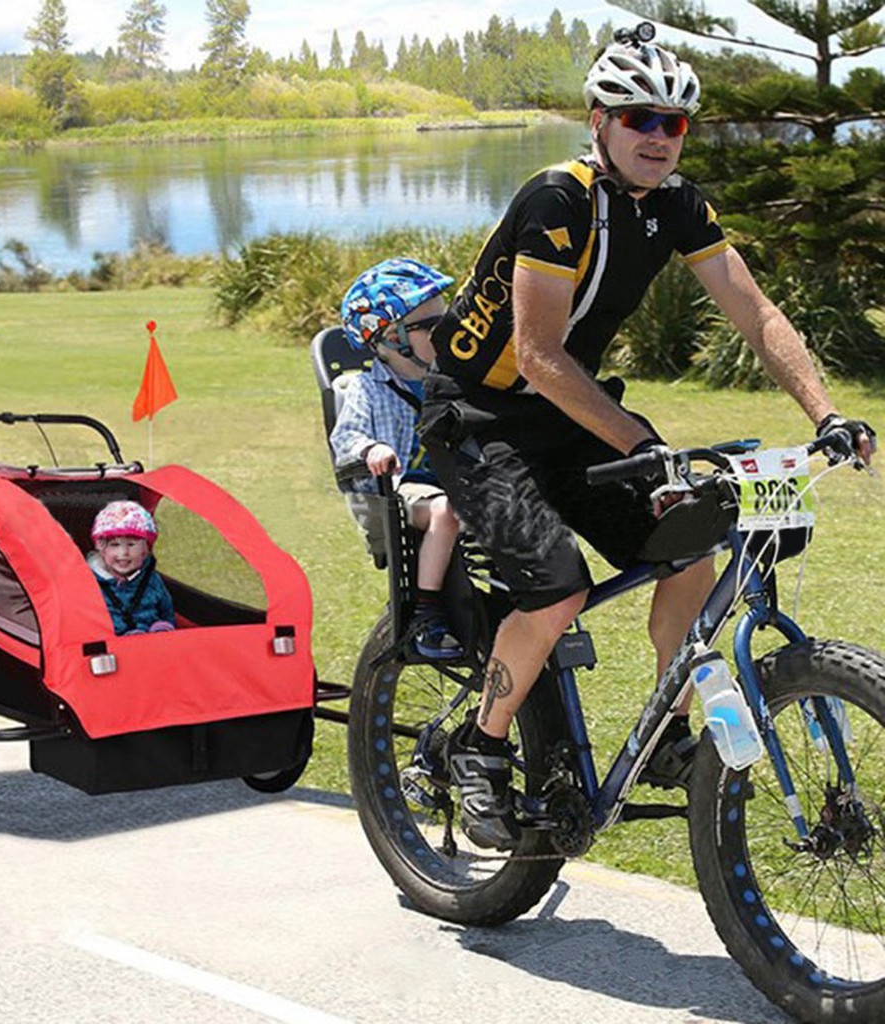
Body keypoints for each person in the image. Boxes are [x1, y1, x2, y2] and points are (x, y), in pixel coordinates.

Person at [417, 25, 877, 850]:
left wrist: (825, 414)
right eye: (641, 120)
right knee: (554, 589)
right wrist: (637, 441)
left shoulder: (676, 204)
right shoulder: (558, 200)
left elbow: (756, 313)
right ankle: (478, 751)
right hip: (481, 420)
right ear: (600, 121)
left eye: (676, 124)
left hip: (571, 415)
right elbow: (537, 355)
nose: (659, 138)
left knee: (690, 545)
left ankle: (665, 724)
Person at [332, 257, 464, 660]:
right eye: (431, 325)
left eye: (447, 318)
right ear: (390, 337)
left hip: (451, 479)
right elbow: (346, 437)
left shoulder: (449, 379)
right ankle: (425, 612)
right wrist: (372, 449)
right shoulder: (366, 390)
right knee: (446, 511)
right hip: (398, 492)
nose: (447, 331)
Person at [88, 500, 176, 636]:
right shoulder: (91, 583)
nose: (123, 553)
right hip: (113, 645)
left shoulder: (151, 579)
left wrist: (164, 625)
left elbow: (166, 609)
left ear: (145, 550)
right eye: (115, 545)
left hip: (152, 639)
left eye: (131, 544)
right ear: (102, 551)